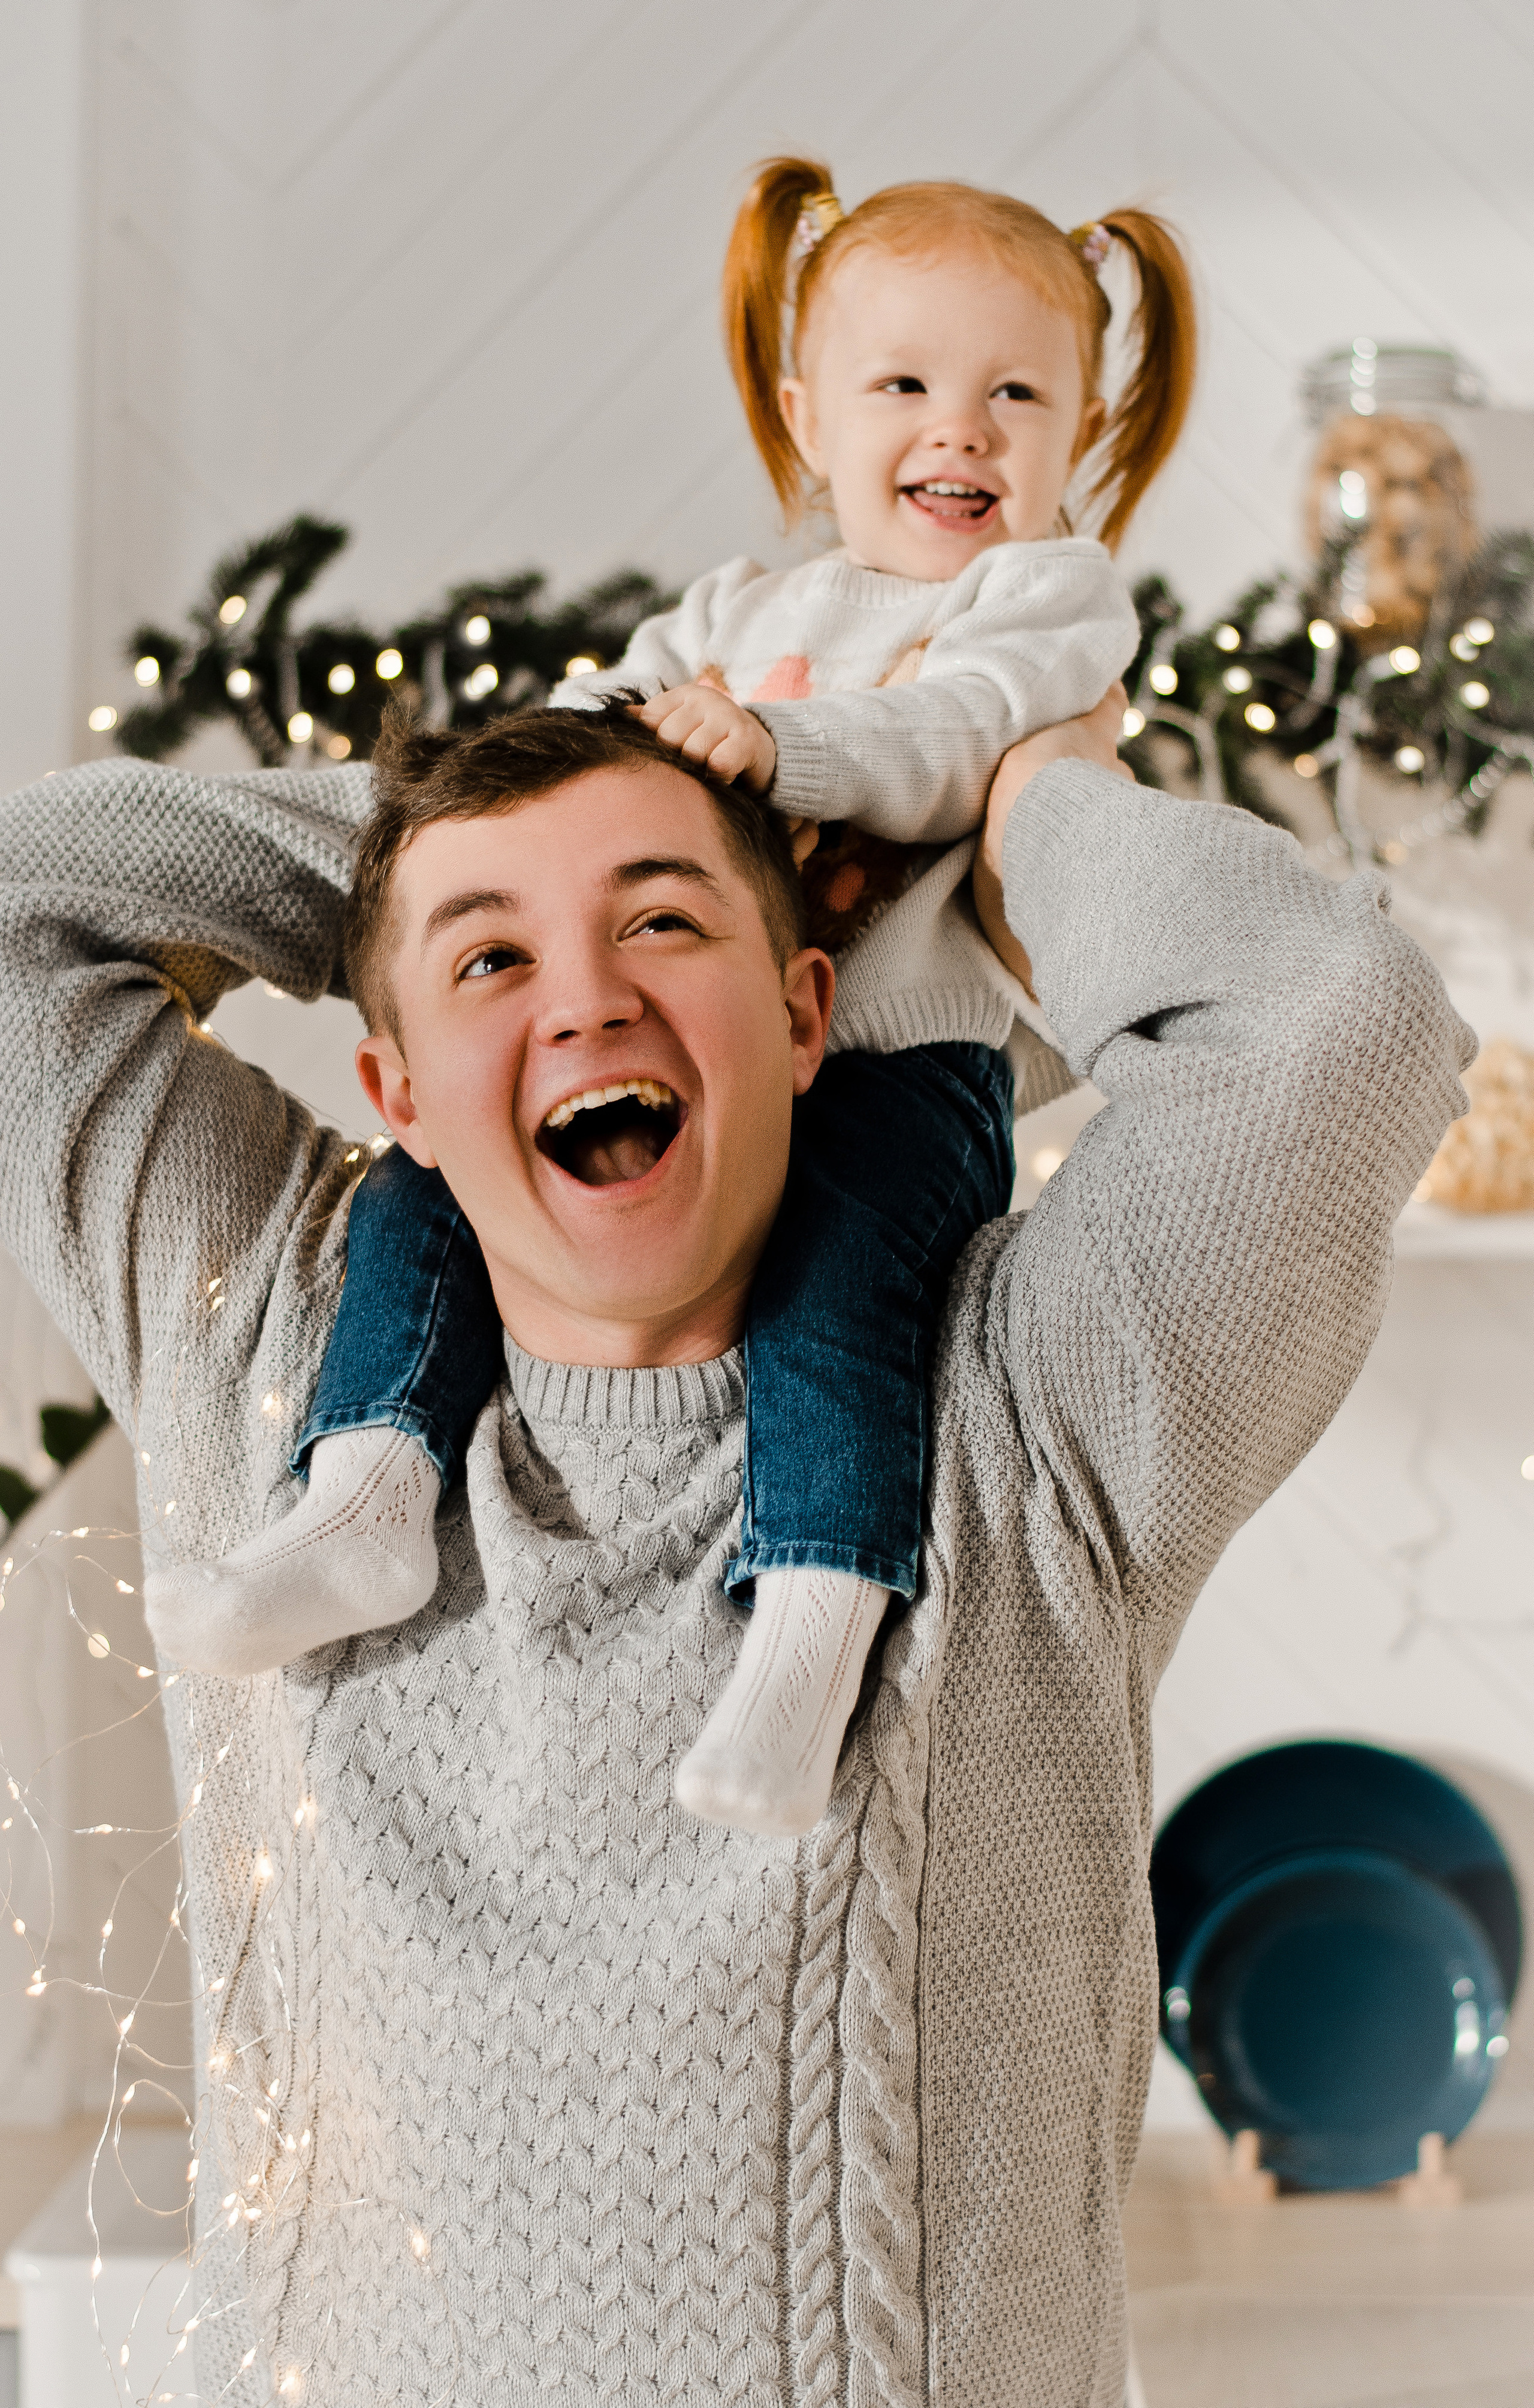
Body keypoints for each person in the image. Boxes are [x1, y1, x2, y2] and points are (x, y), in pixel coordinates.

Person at [0, 689, 1468, 2403]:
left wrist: (1017, 814)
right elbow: (28, 910)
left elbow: (1342, 1020)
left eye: (662, 923)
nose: (590, 997)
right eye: (493, 968)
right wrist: (453, 834)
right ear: (392, 1083)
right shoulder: (271, 1359)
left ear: (801, 1013)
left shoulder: (1036, 1405)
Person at [146, 161, 1197, 1840]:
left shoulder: (1046, 599)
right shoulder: (737, 613)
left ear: (1084, 425)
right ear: (809, 412)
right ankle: (369, 1483)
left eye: (1019, 394)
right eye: (908, 386)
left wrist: (784, 751)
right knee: (429, 1183)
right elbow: (582, 743)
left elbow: (954, 738)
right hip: (709, 1044)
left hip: (896, 1058)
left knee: (838, 1307)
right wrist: (521, 806)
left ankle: (813, 1628)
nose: (966, 431)